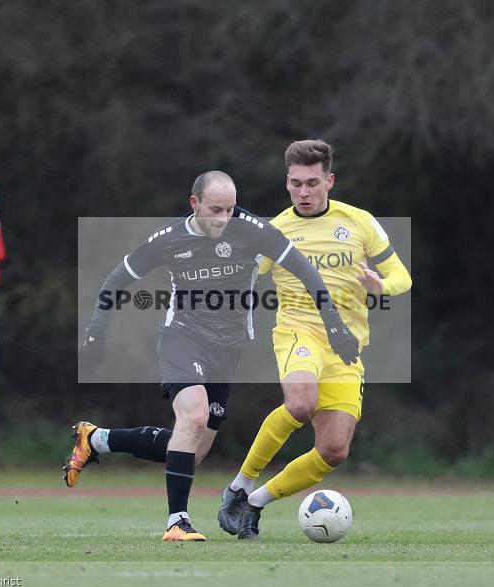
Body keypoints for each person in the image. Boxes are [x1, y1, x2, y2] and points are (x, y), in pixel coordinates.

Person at [67, 170, 359, 541]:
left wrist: (333, 322)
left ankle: (96, 439)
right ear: (195, 204)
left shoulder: (252, 230)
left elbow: (304, 269)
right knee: (195, 414)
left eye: (230, 209)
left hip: (228, 350)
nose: (224, 219)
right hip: (182, 338)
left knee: (189, 448)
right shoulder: (170, 239)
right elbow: (116, 280)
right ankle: (177, 522)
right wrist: (97, 330)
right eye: (215, 210)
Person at [217, 140, 412, 540]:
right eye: (294, 184)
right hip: (297, 333)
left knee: (334, 451)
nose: (303, 193)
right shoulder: (276, 231)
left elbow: (402, 277)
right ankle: (240, 485)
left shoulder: (359, 222)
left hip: (347, 348)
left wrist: (380, 286)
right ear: (286, 183)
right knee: (301, 403)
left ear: (330, 181)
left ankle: (256, 504)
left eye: (311, 183)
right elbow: (245, 275)